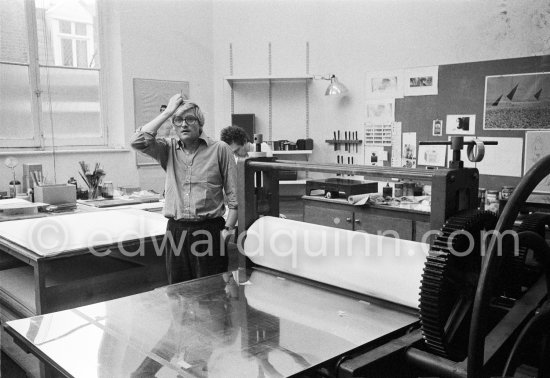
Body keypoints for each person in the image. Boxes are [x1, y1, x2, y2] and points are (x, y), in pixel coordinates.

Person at [130, 93, 237, 284]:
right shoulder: (167, 149)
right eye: (178, 120)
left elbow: (235, 198)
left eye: (190, 119)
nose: (183, 124)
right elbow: (137, 141)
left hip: (209, 231)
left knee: (211, 292)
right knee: (179, 292)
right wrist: (168, 112)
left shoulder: (220, 149)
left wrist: (227, 230)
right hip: (177, 231)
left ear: (200, 122)